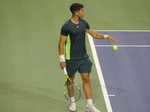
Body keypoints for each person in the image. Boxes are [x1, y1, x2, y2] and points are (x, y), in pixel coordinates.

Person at [58, 3, 118, 112]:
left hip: (83, 58)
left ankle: (89, 106)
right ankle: (72, 102)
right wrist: (62, 60)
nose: (84, 12)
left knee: (86, 80)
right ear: (76, 12)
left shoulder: (84, 23)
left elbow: (94, 34)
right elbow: (61, 44)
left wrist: (106, 36)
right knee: (70, 80)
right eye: (82, 10)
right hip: (71, 58)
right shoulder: (66, 26)